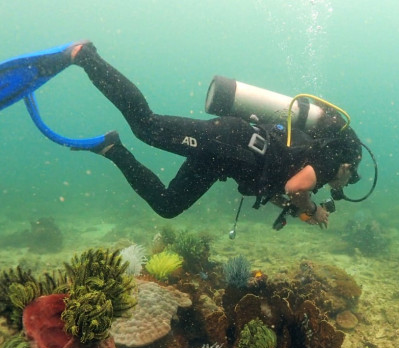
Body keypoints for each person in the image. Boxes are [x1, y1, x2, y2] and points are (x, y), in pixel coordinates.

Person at [64, 42, 363, 230]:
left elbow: (276, 185)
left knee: (168, 206)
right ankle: (87, 57)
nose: (341, 186)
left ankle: (112, 147)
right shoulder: (331, 160)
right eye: (350, 180)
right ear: (349, 167)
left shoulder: (311, 155)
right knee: (148, 128)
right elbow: (296, 186)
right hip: (228, 142)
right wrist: (313, 209)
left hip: (222, 159)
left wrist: (294, 208)